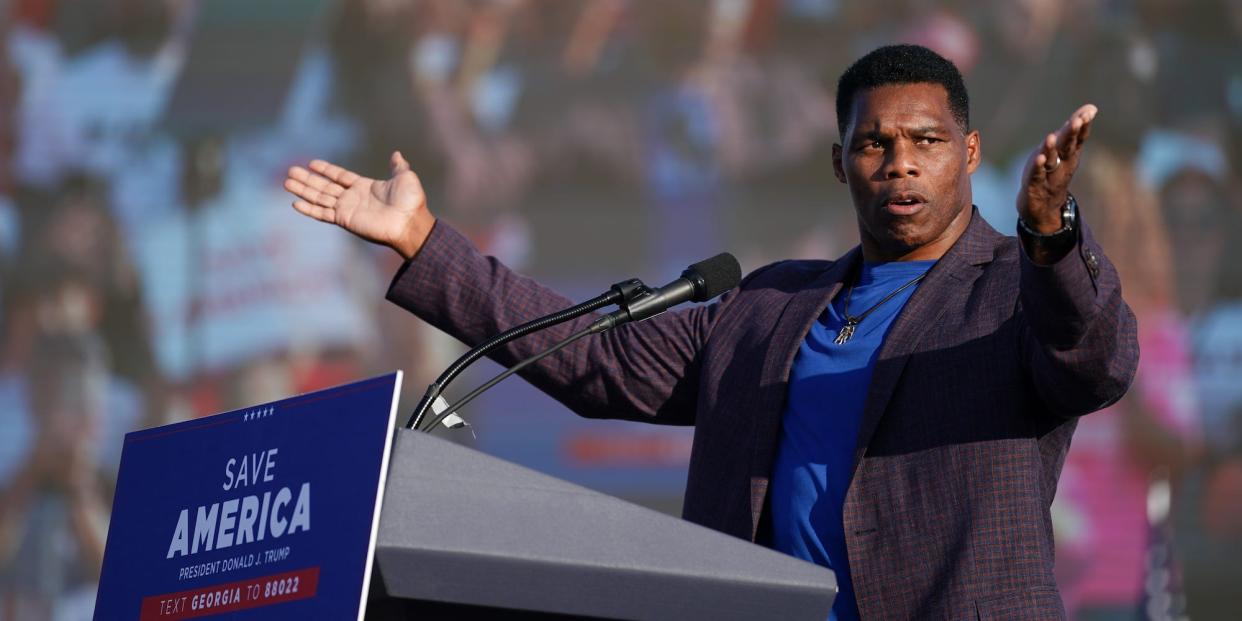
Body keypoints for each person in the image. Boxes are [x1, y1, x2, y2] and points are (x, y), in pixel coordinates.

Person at [284, 45, 1137, 620]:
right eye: (874, 143)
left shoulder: (1016, 292)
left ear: (972, 149)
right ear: (840, 162)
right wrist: (425, 243)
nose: (901, 162)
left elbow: (1095, 360)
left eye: (927, 140)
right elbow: (594, 357)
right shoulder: (769, 306)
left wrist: (1053, 235)